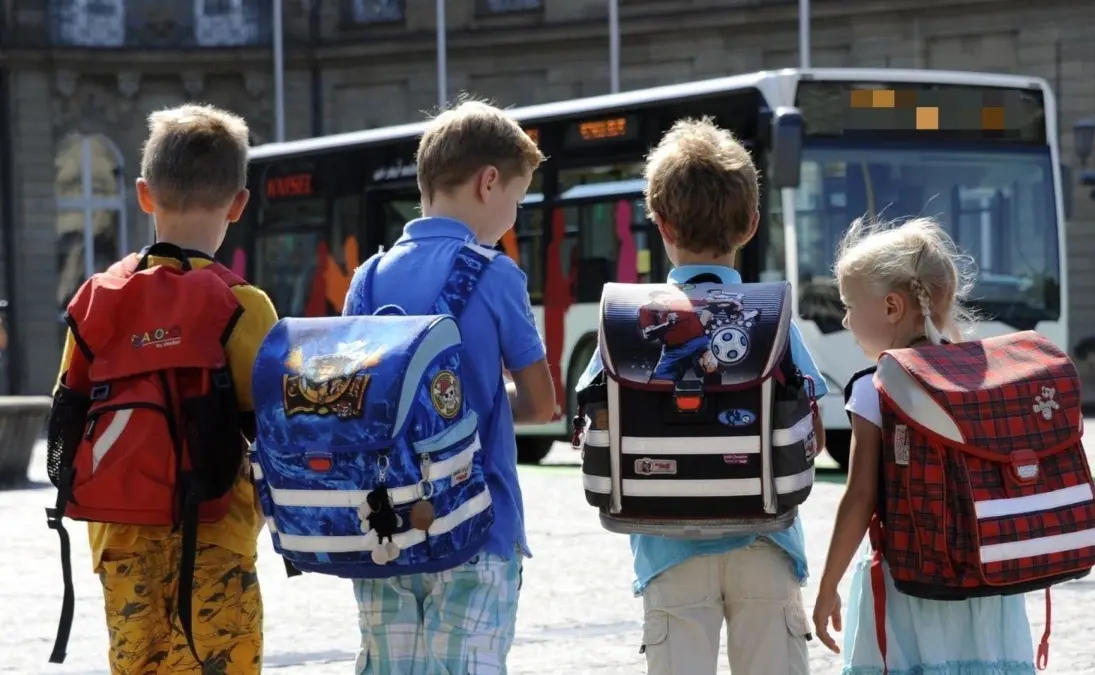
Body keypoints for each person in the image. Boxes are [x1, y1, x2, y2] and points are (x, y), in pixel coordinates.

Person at [578, 117, 828, 675]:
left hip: (664, 543)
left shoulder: (627, 319)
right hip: (767, 537)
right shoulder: (772, 315)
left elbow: (594, 413)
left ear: (660, 223)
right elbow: (812, 421)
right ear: (751, 225)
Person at [54, 104, 278, 673]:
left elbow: (68, 406)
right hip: (216, 533)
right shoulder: (243, 305)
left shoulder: (98, 298)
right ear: (238, 203)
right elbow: (275, 424)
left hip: (120, 537)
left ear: (143, 194)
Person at [342, 98, 557, 675]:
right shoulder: (497, 274)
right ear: (490, 183)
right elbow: (541, 404)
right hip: (478, 527)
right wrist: (480, 400)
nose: (514, 211)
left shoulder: (366, 280)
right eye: (516, 196)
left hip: (385, 528)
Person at [810, 216, 1036, 675]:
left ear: (892, 307)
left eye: (850, 305)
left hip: (912, 585)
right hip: (990, 584)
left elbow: (860, 498)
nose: (847, 319)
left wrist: (827, 585)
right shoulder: (982, 378)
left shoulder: (875, 388)